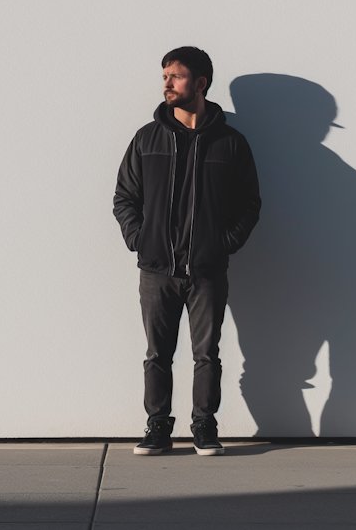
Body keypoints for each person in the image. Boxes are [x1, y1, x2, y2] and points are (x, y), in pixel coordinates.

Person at [113, 46, 261, 456]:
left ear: (200, 83)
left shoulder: (231, 144)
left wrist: (223, 243)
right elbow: (125, 197)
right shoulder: (147, 139)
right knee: (157, 354)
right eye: (164, 76)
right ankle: (157, 427)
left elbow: (251, 204)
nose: (166, 83)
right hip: (157, 268)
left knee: (206, 355)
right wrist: (140, 239)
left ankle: (204, 426)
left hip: (207, 271)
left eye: (175, 76)